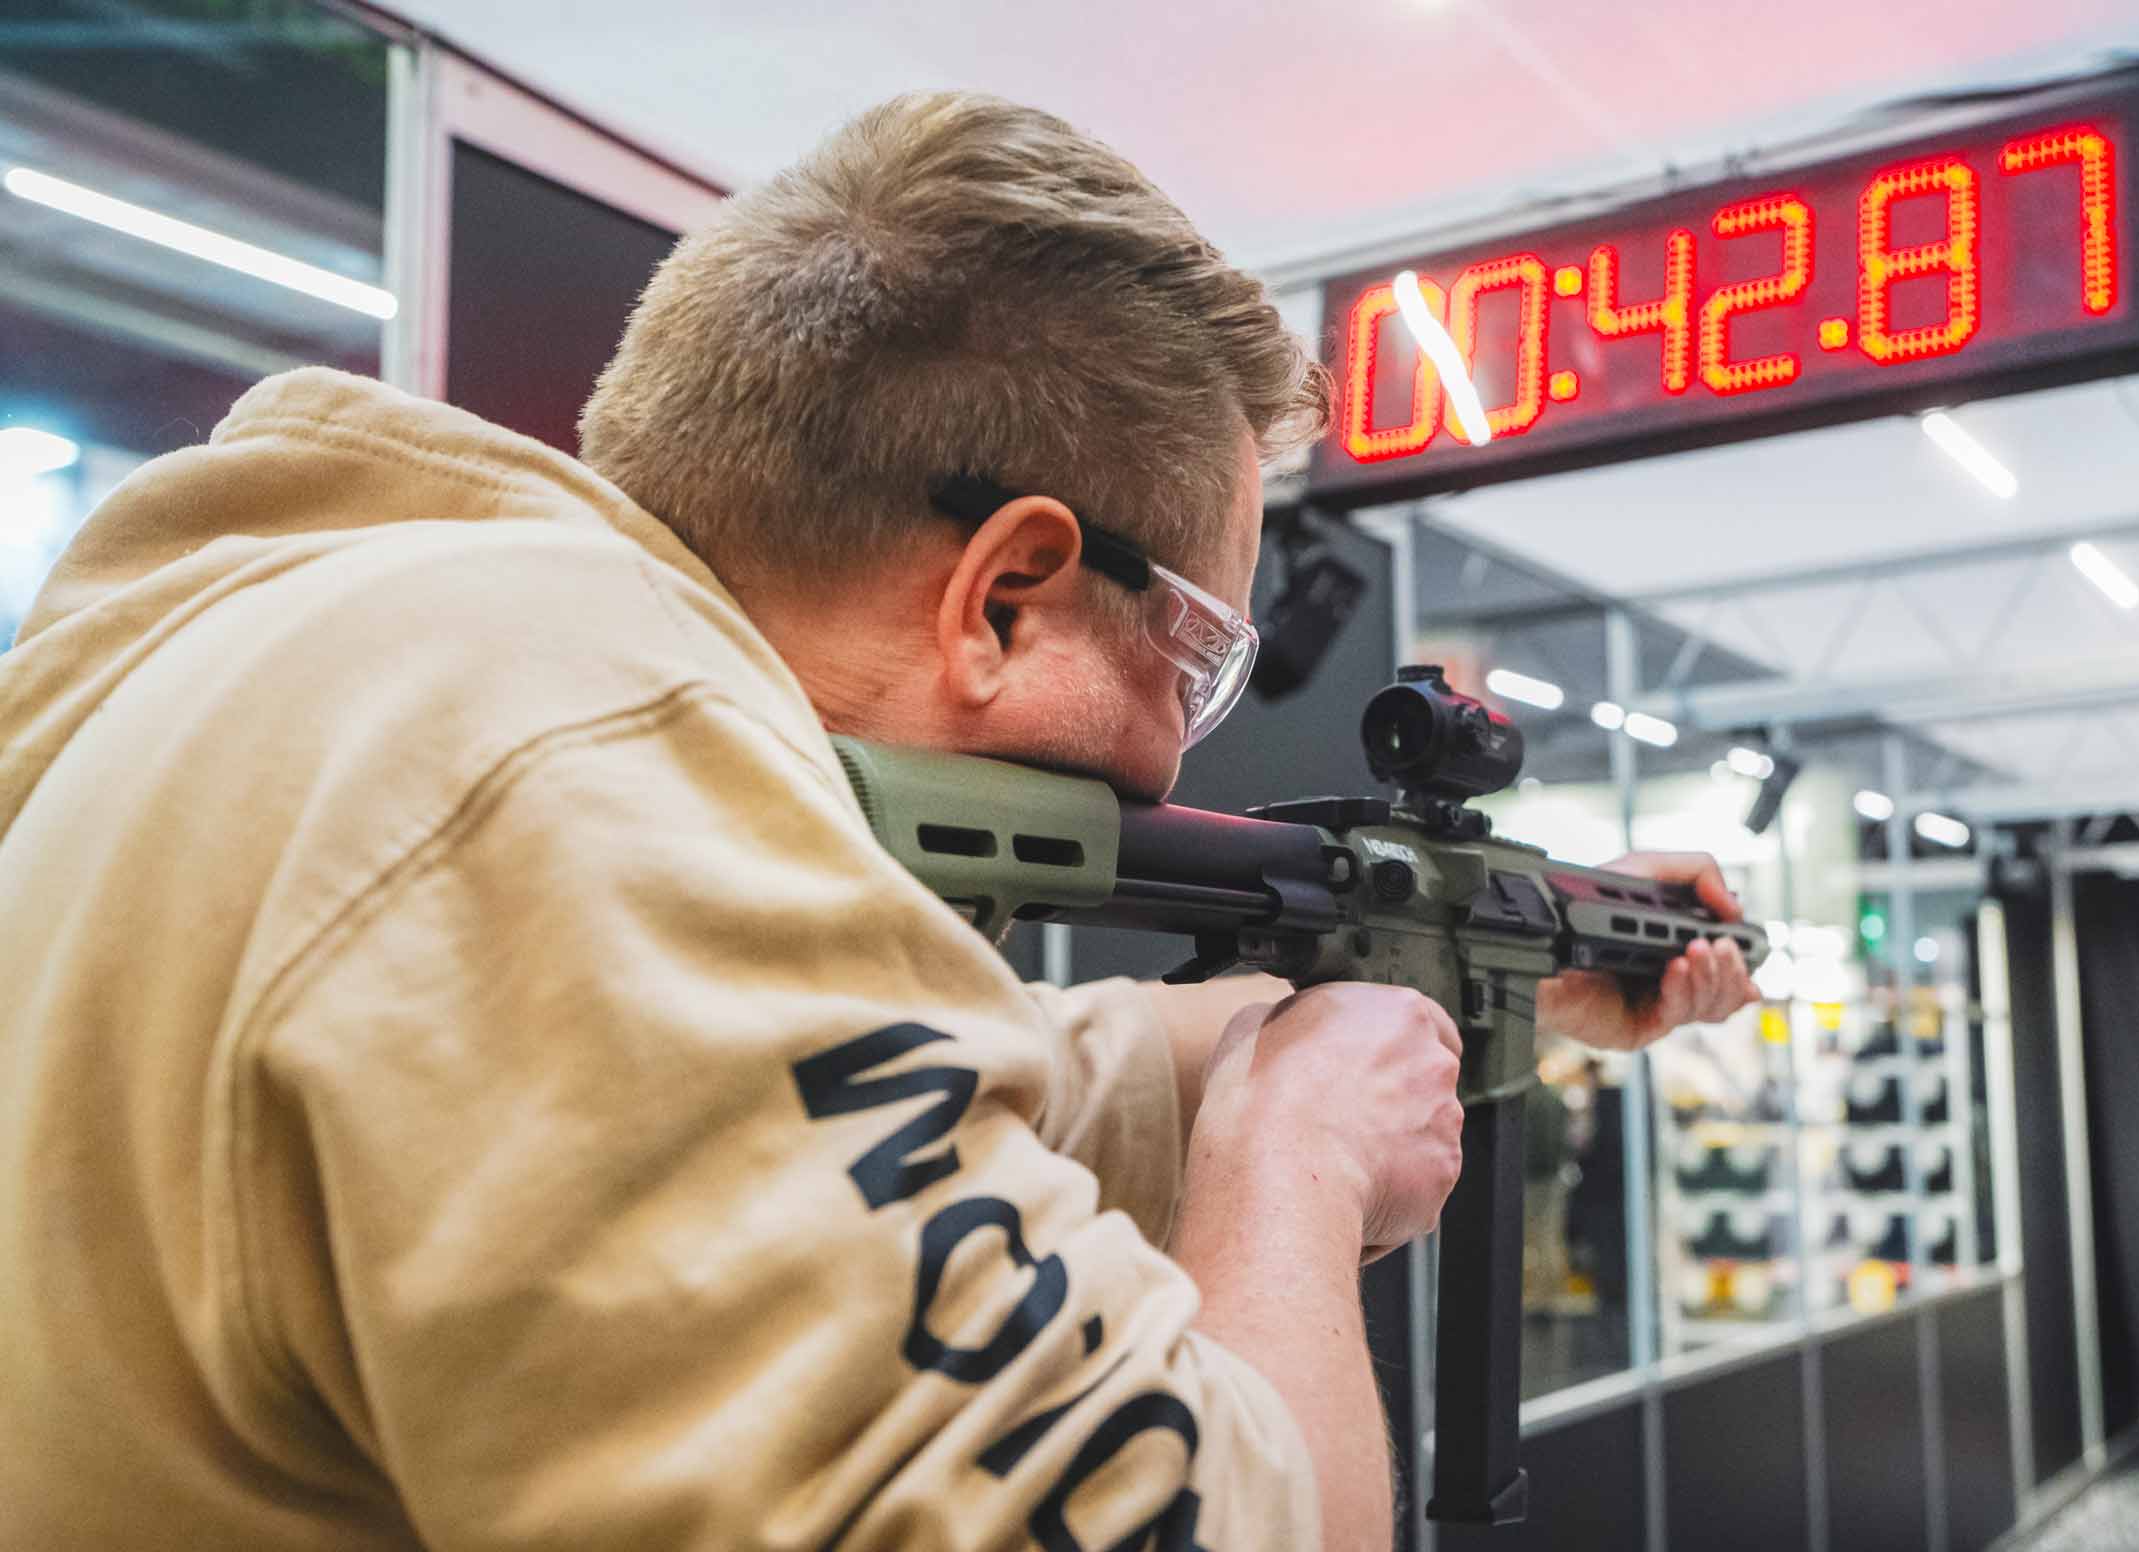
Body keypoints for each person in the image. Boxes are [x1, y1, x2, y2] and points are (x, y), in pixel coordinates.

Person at [0, 92, 1757, 1551]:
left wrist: (1454, 999)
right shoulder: (572, 766)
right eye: (1198, 659)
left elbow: (929, 1084)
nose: (1174, 751)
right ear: (1006, 599)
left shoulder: (346, 662)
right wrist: (1293, 1170)